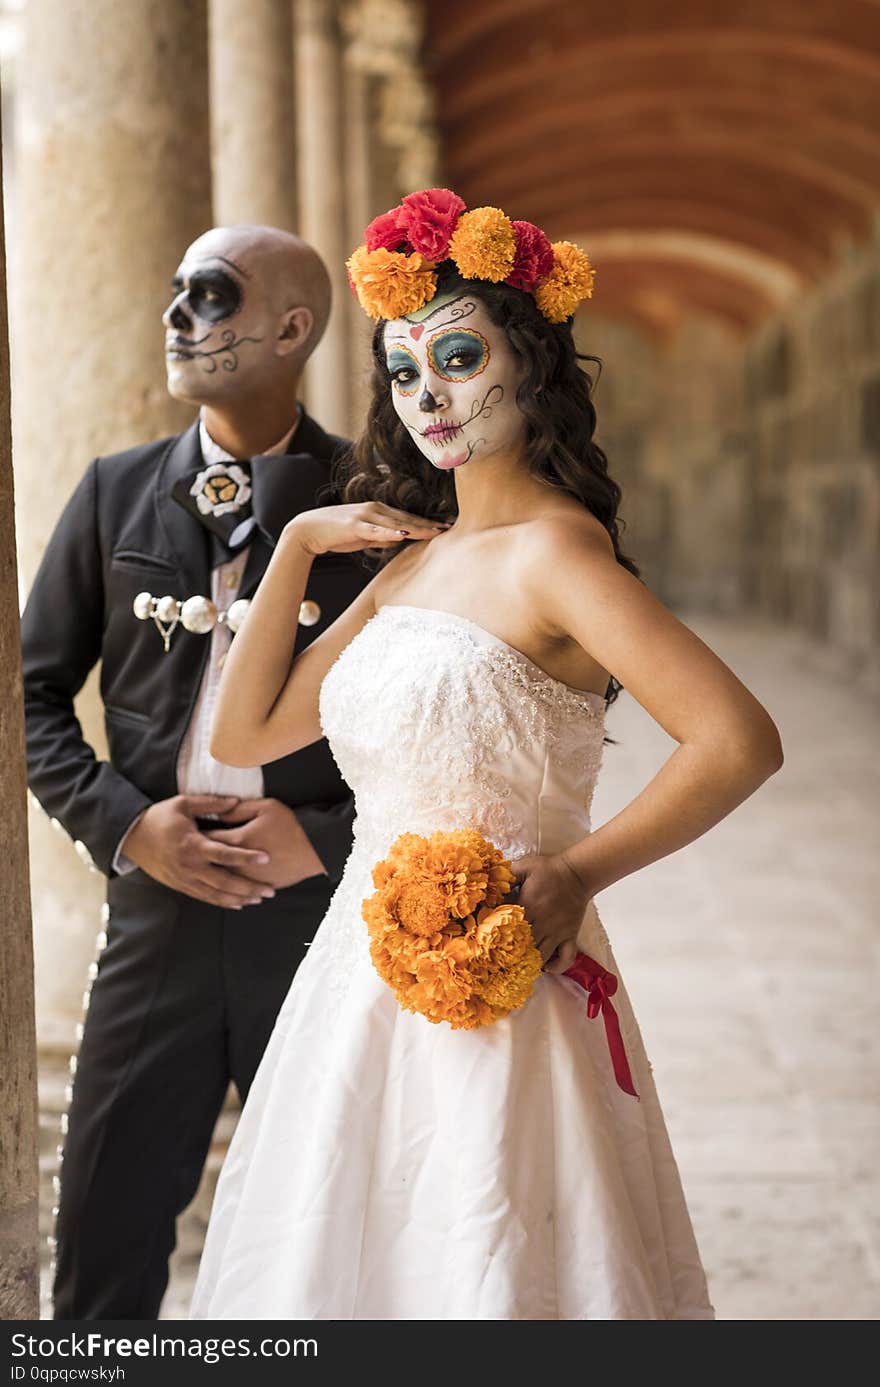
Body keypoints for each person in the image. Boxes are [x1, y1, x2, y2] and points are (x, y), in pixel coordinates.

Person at [190, 192, 783, 1320]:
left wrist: (577, 871)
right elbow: (246, 735)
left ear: (533, 366)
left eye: (459, 359)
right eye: (406, 375)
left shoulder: (556, 555)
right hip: (360, 980)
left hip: (505, 969)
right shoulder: (413, 560)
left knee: (491, 1254)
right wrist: (301, 545)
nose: (430, 397)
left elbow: (737, 739)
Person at [21, 224, 385, 1318]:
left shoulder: (377, 499)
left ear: (292, 327)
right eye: (176, 291)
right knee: (102, 1229)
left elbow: (434, 709)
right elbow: (28, 697)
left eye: (212, 295)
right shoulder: (113, 490)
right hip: (156, 910)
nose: (181, 317)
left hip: (323, 919)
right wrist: (130, 829)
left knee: (327, 1230)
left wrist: (323, 837)